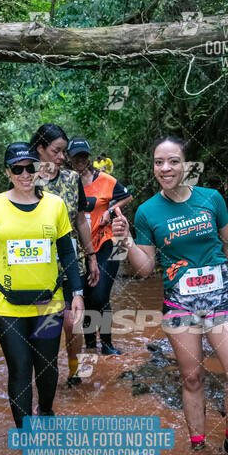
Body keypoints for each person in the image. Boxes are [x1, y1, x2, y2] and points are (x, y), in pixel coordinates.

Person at [112, 136, 228, 455]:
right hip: (179, 303)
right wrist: (128, 240)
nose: (166, 168)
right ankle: (199, 450)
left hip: (220, 298)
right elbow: (145, 269)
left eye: (173, 161)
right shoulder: (147, 212)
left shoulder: (211, 199)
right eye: (159, 162)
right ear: (153, 167)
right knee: (192, 377)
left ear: (186, 165)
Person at [0, 142, 84, 428]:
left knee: (47, 365)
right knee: (19, 367)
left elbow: (67, 252)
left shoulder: (54, 205)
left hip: (49, 302)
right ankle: (26, 433)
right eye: (18, 169)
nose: (25, 174)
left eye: (31, 167)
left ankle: (46, 411)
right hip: (5, 304)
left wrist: (76, 293)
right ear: (8, 172)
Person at [30, 124, 100, 385]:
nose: (61, 157)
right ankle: (45, 378)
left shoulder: (71, 179)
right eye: (56, 151)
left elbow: (81, 220)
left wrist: (91, 256)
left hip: (71, 261)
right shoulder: (27, 178)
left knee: (73, 321)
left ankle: (74, 371)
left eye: (64, 152)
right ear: (40, 149)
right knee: (46, 324)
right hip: (37, 264)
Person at [68, 136, 132, 354]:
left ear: (88, 158)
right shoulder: (66, 182)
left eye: (83, 156)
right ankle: (90, 345)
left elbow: (127, 195)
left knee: (100, 295)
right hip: (79, 249)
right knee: (85, 296)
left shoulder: (104, 179)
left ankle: (107, 344)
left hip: (106, 243)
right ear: (68, 157)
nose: (79, 161)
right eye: (75, 157)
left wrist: (110, 210)